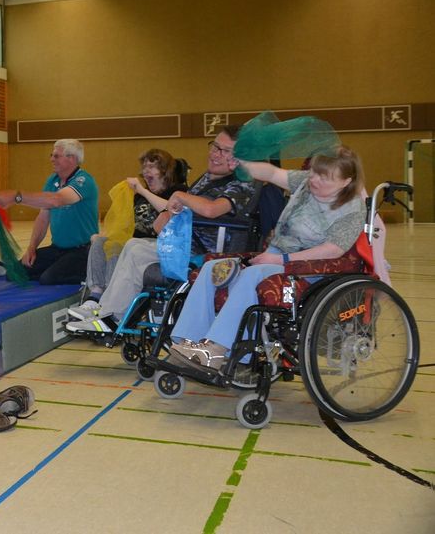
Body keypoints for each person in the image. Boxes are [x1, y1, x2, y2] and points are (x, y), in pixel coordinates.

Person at [168, 146, 366, 369]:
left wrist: (282, 260)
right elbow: (271, 173)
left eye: (326, 178)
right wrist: (241, 164)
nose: (316, 181)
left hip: (310, 270)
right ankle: (186, 342)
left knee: (253, 274)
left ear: (346, 181)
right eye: (315, 173)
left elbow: (333, 250)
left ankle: (217, 349)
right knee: (213, 267)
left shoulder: (352, 208)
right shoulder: (305, 183)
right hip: (276, 258)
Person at [66, 126, 255, 333]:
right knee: (132, 244)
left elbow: (211, 209)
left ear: (239, 158)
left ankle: (111, 318)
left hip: (206, 254)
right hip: (181, 246)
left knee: (137, 251)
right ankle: (103, 310)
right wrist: (169, 212)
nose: (215, 154)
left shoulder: (243, 184)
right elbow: (173, 211)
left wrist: (181, 198)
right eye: (215, 147)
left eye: (225, 151)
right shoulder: (207, 178)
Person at [73, 149, 186, 315]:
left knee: (126, 246)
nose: (146, 171)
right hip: (136, 241)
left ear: (164, 170)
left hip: (159, 244)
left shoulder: (177, 191)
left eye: (151, 167)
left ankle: (108, 302)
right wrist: (108, 234)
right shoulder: (138, 196)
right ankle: (95, 296)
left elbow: (171, 209)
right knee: (101, 242)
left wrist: (143, 191)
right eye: (144, 167)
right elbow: (126, 223)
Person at [0, 139, 99, 285]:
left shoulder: (83, 181)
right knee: (15, 273)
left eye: (56, 156)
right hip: (58, 249)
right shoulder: (52, 180)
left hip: (82, 251)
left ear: (72, 158)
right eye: (51, 155)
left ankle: (91, 274)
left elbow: (56, 200)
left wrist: (17, 197)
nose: (51, 159)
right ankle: (56, 268)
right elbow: (43, 217)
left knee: (48, 279)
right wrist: (32, 248)